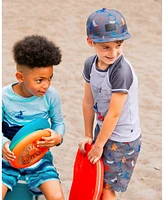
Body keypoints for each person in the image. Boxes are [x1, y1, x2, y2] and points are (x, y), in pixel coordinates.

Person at [79, 8, 141, 200]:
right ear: (91, 42)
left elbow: (114, 114)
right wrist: (89, 135)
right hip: (103, 130)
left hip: (123, 138)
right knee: (96, 181)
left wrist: (98, 146)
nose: (113, 52)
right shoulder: (90, 64)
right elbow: (88, 101)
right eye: (106, 47)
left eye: (119, 45)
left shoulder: (121, 71)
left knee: (106, 187)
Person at [2, 35, 65, 200]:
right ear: (20, 77)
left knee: (57, 196)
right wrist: (3, 145)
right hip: (7, 158)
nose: (46, 85)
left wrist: (57, 137)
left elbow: (58, 123)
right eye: (39, 80)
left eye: (49, 78)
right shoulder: (4, 97)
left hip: (39, 157)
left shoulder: (51, 96)